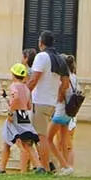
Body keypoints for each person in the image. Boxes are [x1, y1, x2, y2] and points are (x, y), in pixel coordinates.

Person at [0, 63, 47, 174]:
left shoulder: (14, 86)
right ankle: (39, 167)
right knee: (27, 143)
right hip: (24, 115)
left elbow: (16, 97)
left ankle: (2, 169)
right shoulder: (26, 88)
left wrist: (10, 111)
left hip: (14, 115)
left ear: (13, 74)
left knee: (7, 141)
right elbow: (28, 105)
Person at [26, 31, 65, 171]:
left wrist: (24, 94)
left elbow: (34, 80)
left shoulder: (41, 57)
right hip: (51, 103)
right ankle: (41, 165)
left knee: (41, 137)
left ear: (41, 43)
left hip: (40, 101)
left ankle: (45, 167)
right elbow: (65, 82)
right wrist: (58, 96)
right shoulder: (60, 58)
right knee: (41, 135)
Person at [48, 54, 79, 176]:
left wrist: (58, 96)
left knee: (48, 139)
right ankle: (66, 167)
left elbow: (62, 92)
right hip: (69, 112)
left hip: (60, 111)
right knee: (65, 141)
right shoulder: (74, 77)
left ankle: (64, 165)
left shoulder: (64, 77)